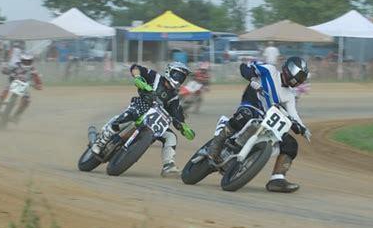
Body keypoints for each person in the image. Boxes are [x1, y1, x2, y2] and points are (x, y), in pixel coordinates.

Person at [207, 56, 311, 193]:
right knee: (245, 115)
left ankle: (277, 179)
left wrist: (302, 128)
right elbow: (244, 67)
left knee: (290, 144)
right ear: (289, 69)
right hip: (251, 105)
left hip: (266, 118)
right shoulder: (269, 70)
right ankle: (217, 142)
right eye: (299, 76)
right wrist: (252, 79)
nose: (299, 80)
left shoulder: (289, 95)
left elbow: (293, 115)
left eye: (302, 78)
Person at [91, 62, 196, 177]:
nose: (180, 80)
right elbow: (136, 68)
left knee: (171, 137)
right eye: (178, 76)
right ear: (170, 72)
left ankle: (168, 166)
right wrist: (138, 78)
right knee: (126, 117)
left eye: (182, 78)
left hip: (154, 122)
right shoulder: (155, 77)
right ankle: (102, 141)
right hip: (140, 107)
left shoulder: (174, 97)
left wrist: (184, 127)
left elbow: (177, 113)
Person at [0, 53, 43, 123]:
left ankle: (16, 116)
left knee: (26, 101)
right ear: (21, 61)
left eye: (28, 61)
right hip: (13, 83)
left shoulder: (34, 71)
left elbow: (39, 82)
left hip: (24, 87)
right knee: (3, 94)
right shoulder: (15, 66)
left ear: (32, 61)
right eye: (25, 61)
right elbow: (5, 70)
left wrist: (38, 86)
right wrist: (5, 70)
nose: (26, 63)